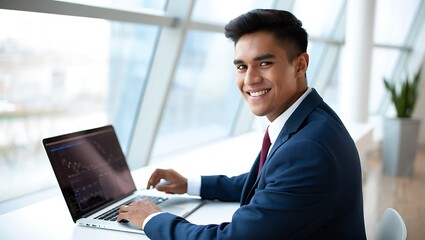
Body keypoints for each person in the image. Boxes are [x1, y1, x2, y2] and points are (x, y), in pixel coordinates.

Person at [117, 9, 366, 239]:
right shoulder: (311, 120)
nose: (250, 79)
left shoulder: (309, 149)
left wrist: (151, 218)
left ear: (300, 65)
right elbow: (269, 180)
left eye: (264, 64)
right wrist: (191, 184)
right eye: (241, 66)